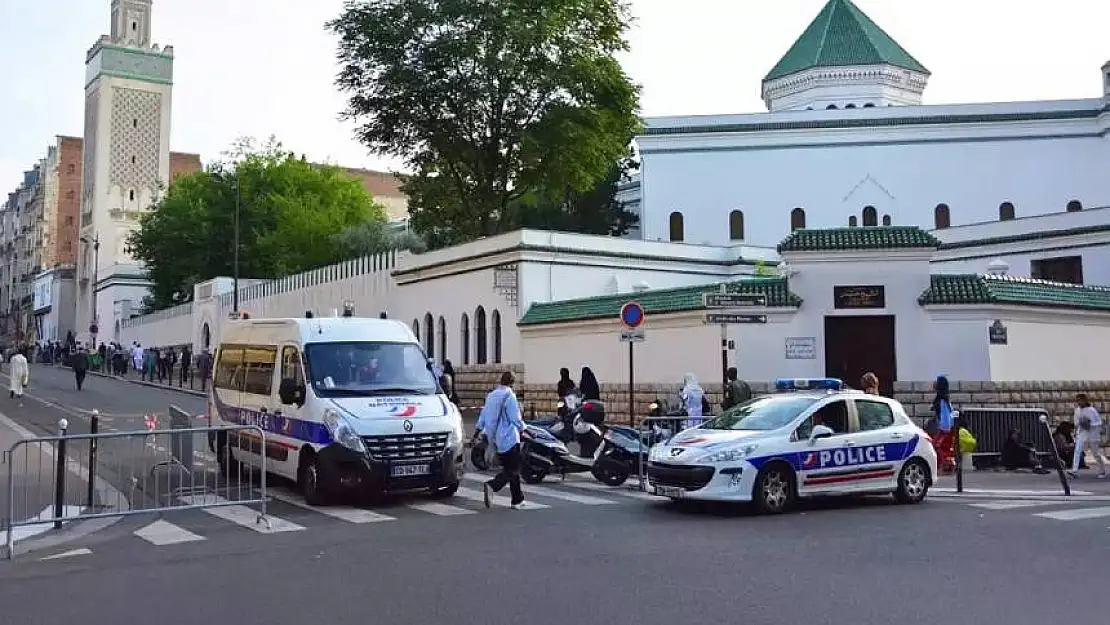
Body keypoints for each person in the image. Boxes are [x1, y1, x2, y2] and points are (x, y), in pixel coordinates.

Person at [473, 371, 527, 509]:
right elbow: (515, 418)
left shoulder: (491, 396)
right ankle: (492, 485)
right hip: (509, 437)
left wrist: (476, 434)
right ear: (512, 383)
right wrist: (525, 429)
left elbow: (483, 418)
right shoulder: (510, 396)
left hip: (494, 438)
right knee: (514, 469)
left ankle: (517, 500)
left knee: (511, 469)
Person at [1069, 394, 1106, 479]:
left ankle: (1102, 470)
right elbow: (1076, 423)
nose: (1079, 402)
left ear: (1085, 401)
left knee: (1095, 453)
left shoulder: (1092, 410)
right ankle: (1074, 470)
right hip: (1082, 432)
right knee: (1077, 449)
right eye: (1077, 400)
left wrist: (1089, 423)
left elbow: (1098, 422)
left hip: (1093, 433)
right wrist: (1081, 422)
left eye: (1080, 400)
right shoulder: (1077, 410)